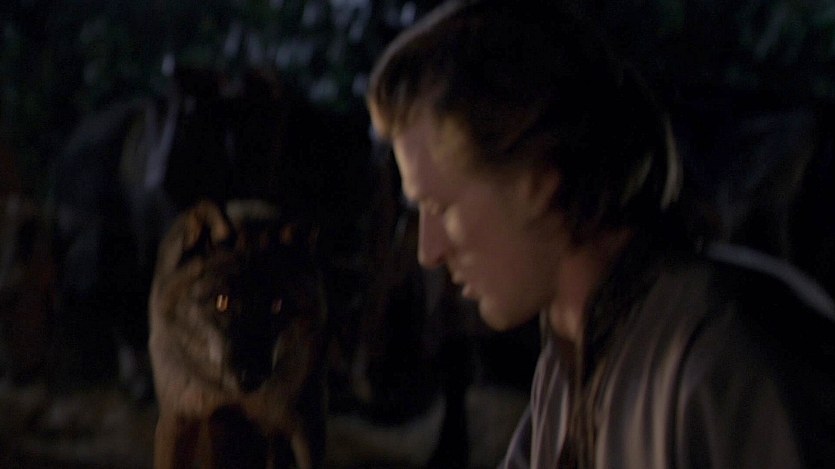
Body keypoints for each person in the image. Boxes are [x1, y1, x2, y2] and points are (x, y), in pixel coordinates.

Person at [366, 0, 835, 467]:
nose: (429, 251)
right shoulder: (571, 359)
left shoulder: (730, 352)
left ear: (539, 179)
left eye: (440, 207)